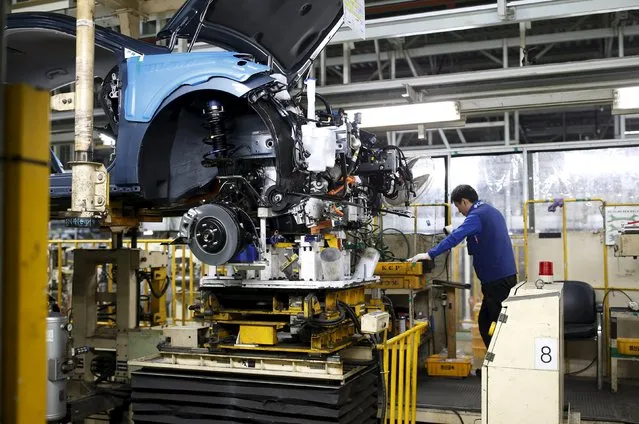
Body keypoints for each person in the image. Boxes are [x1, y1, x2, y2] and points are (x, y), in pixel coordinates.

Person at [408, 184, 517, 349]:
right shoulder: (490, 211)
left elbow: (456, 238)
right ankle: (494, 360)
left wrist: (429, 254)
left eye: (459, 207)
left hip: (496, 281)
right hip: (501, 278)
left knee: (497, 325)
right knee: (486, 322)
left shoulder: (476, 215)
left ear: (465, 201)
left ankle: (502, 363)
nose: (460, 212)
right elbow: (479, 243)